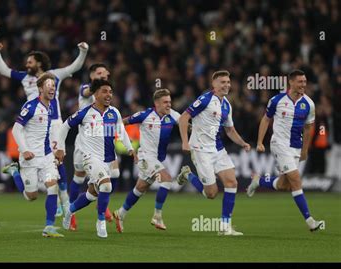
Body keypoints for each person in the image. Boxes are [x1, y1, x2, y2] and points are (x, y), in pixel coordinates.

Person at [0, 41, 89, 216]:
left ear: (39, 63)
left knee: (58, 159)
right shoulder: (25, 77)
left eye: (30, 61)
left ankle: (63, 201)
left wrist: (83, 51)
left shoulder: (54, 76)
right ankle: (60, 200)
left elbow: (74, 67)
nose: (27, 64)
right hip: (34, 125)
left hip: (54, 123)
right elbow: (3, 71)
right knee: (44, 165)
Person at [56, 79, 136, 238]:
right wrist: (60, 148)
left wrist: (130, 149)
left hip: (108, 158)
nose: (109, 95)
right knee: (106, 186)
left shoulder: (114, 113)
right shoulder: (85, 113)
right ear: (95, 94)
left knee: (92, 194)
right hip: (90, 157)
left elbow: (121, 131)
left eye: (110, 92)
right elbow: (65, 126)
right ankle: (101, 222)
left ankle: (69, 210)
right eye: (105, 91)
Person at [246, 69, 325, 232]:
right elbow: (266, 119)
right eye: (300, 82)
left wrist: (305, 150)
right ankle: (311, 221)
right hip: (279, 144)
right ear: (291, 82)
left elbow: (309, 129)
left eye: (305, 81)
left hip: (296, 147)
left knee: (284, 185)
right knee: (296, 180)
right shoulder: (277, 100)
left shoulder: (309, 103)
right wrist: (260, 142)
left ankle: (258, 181)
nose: (303, 85)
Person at [177, 70, 251, 236]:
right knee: (211, 193)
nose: (226, 85)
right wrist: (184, 142)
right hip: (200, 149)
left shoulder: (227, 105)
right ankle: (188, 174)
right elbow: (183, 118)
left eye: (228, 82)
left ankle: (225, 227)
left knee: (232, 183)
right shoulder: (205, 99)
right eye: (222, 82)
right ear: (214, 84)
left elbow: (230, 130)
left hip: (218, 149)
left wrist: (243, 143)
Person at [1, 73, 63, 238]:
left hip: (47, 155)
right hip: (30, 157)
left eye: (54, 85)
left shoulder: (51, 106)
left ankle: (49, 227)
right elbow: (16, 129)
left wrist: (55, 150)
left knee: (52, 186)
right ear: (40, 88)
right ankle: (15, 171)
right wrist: (24, 149)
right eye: (48, 85)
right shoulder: (31, 106)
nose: (52, 88)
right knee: (31, 196)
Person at [113, 89, 180, 232]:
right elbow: (122, 122)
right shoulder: (145, 115)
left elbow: (187, 124)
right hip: (145, 157)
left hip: (157, 159)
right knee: (167, 179)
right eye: (165, 102)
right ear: (157, 103)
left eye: (170, 101)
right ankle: (157, 216)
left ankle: (120, 213)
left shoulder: (172, 115)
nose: (169, 105)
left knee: (140, 189)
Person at [68, 63, 114, 230]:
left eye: (105, 74)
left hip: (101, 144)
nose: (103, 77)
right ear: (92, 75)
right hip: (84, 143)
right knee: (79, 177)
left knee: (110, 174)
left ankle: (101, 205)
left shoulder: (107, 94)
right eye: (100, 74)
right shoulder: (87, 88)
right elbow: (86, 92)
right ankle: (71, 213)